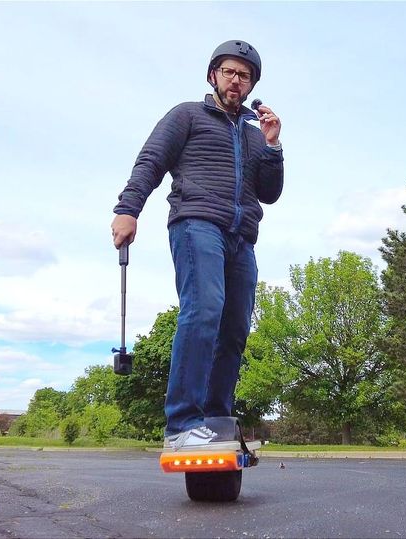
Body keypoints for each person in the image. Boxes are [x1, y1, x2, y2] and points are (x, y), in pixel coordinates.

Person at [110, 40, 283, 450]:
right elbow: (151, 160)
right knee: (204, 310)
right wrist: (127, 208)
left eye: (244, 75)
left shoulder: (258, 136)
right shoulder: (186, 115)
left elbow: (270, 193)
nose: (236, 80)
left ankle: (216, 419)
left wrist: (274, 146)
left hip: (242, 238)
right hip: (197, 224)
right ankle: (182, 423)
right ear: (213, 76)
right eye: (229, 71)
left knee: (236, 328)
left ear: (251, 83)